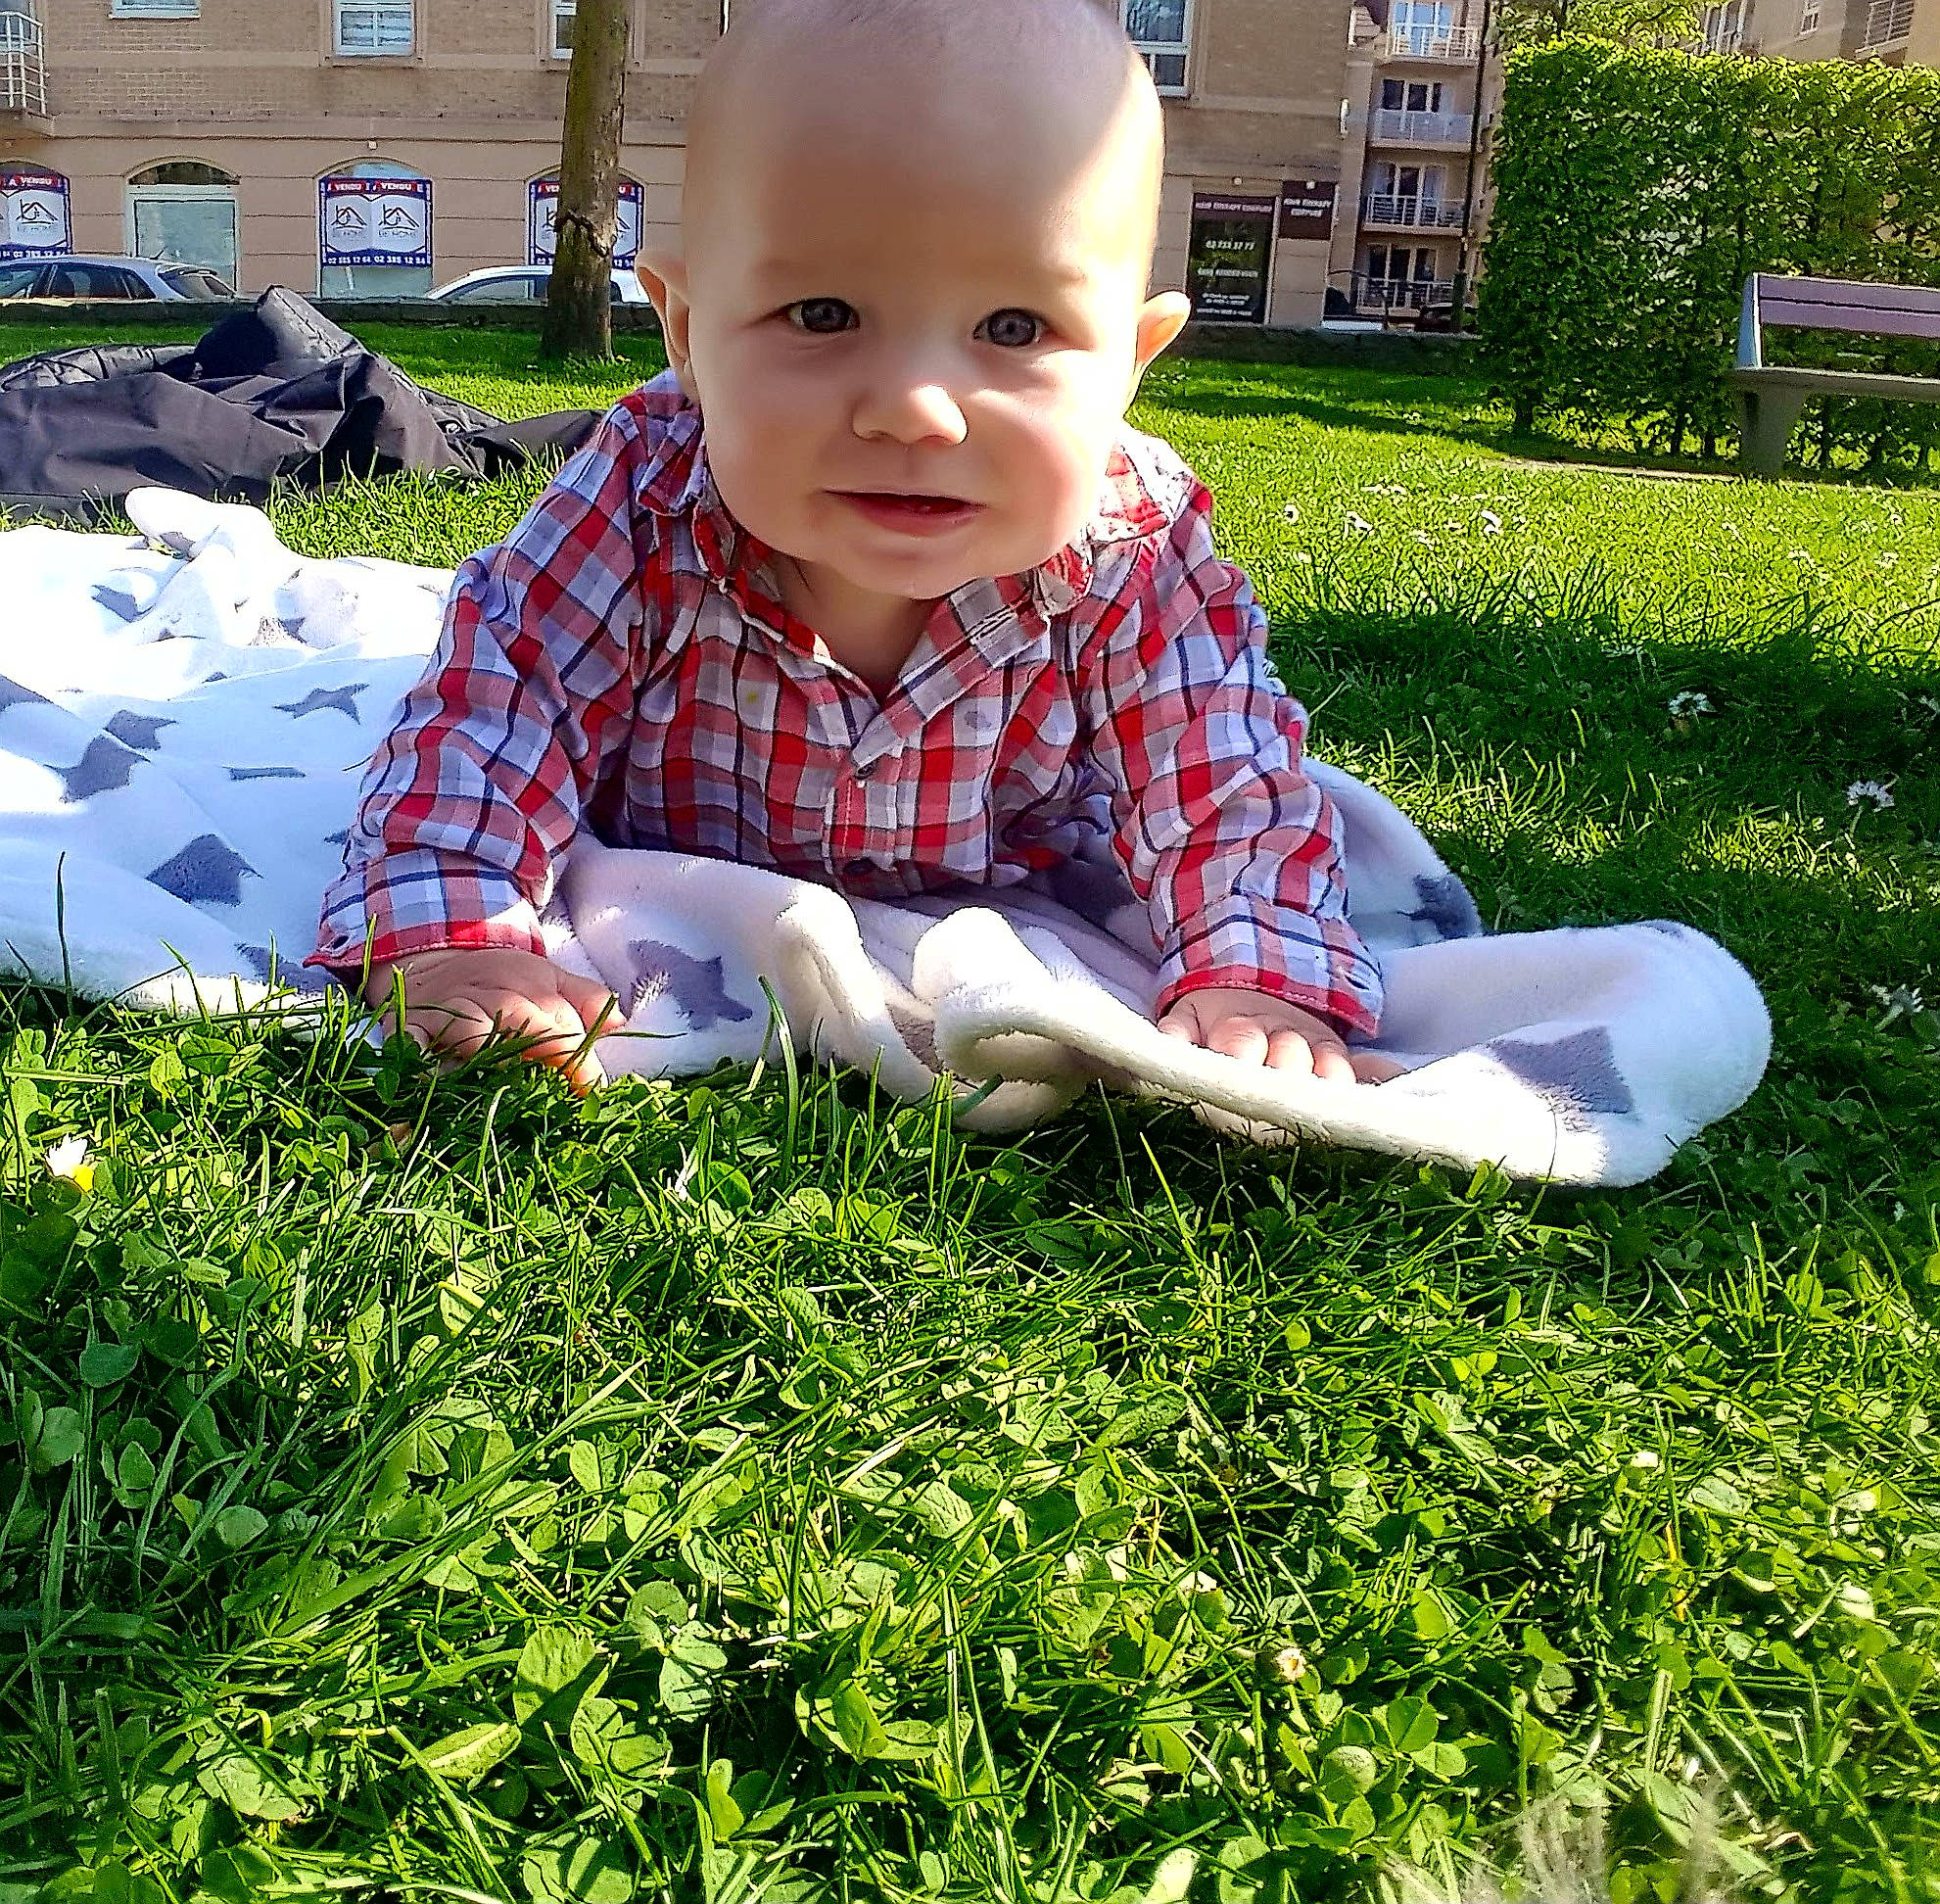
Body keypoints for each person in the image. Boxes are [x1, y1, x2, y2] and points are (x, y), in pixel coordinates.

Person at [312, 0, 1387, 1095]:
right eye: (822, 314)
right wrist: (454, 928)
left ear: (1131, 360)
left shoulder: (1134, 544)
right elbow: (501, 703)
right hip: (670, 827)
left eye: (1013, 329)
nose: (917, 409)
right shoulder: (644, 491)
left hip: (992, 863)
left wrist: (1254, 977)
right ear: (685, 333)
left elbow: (1219, 781)